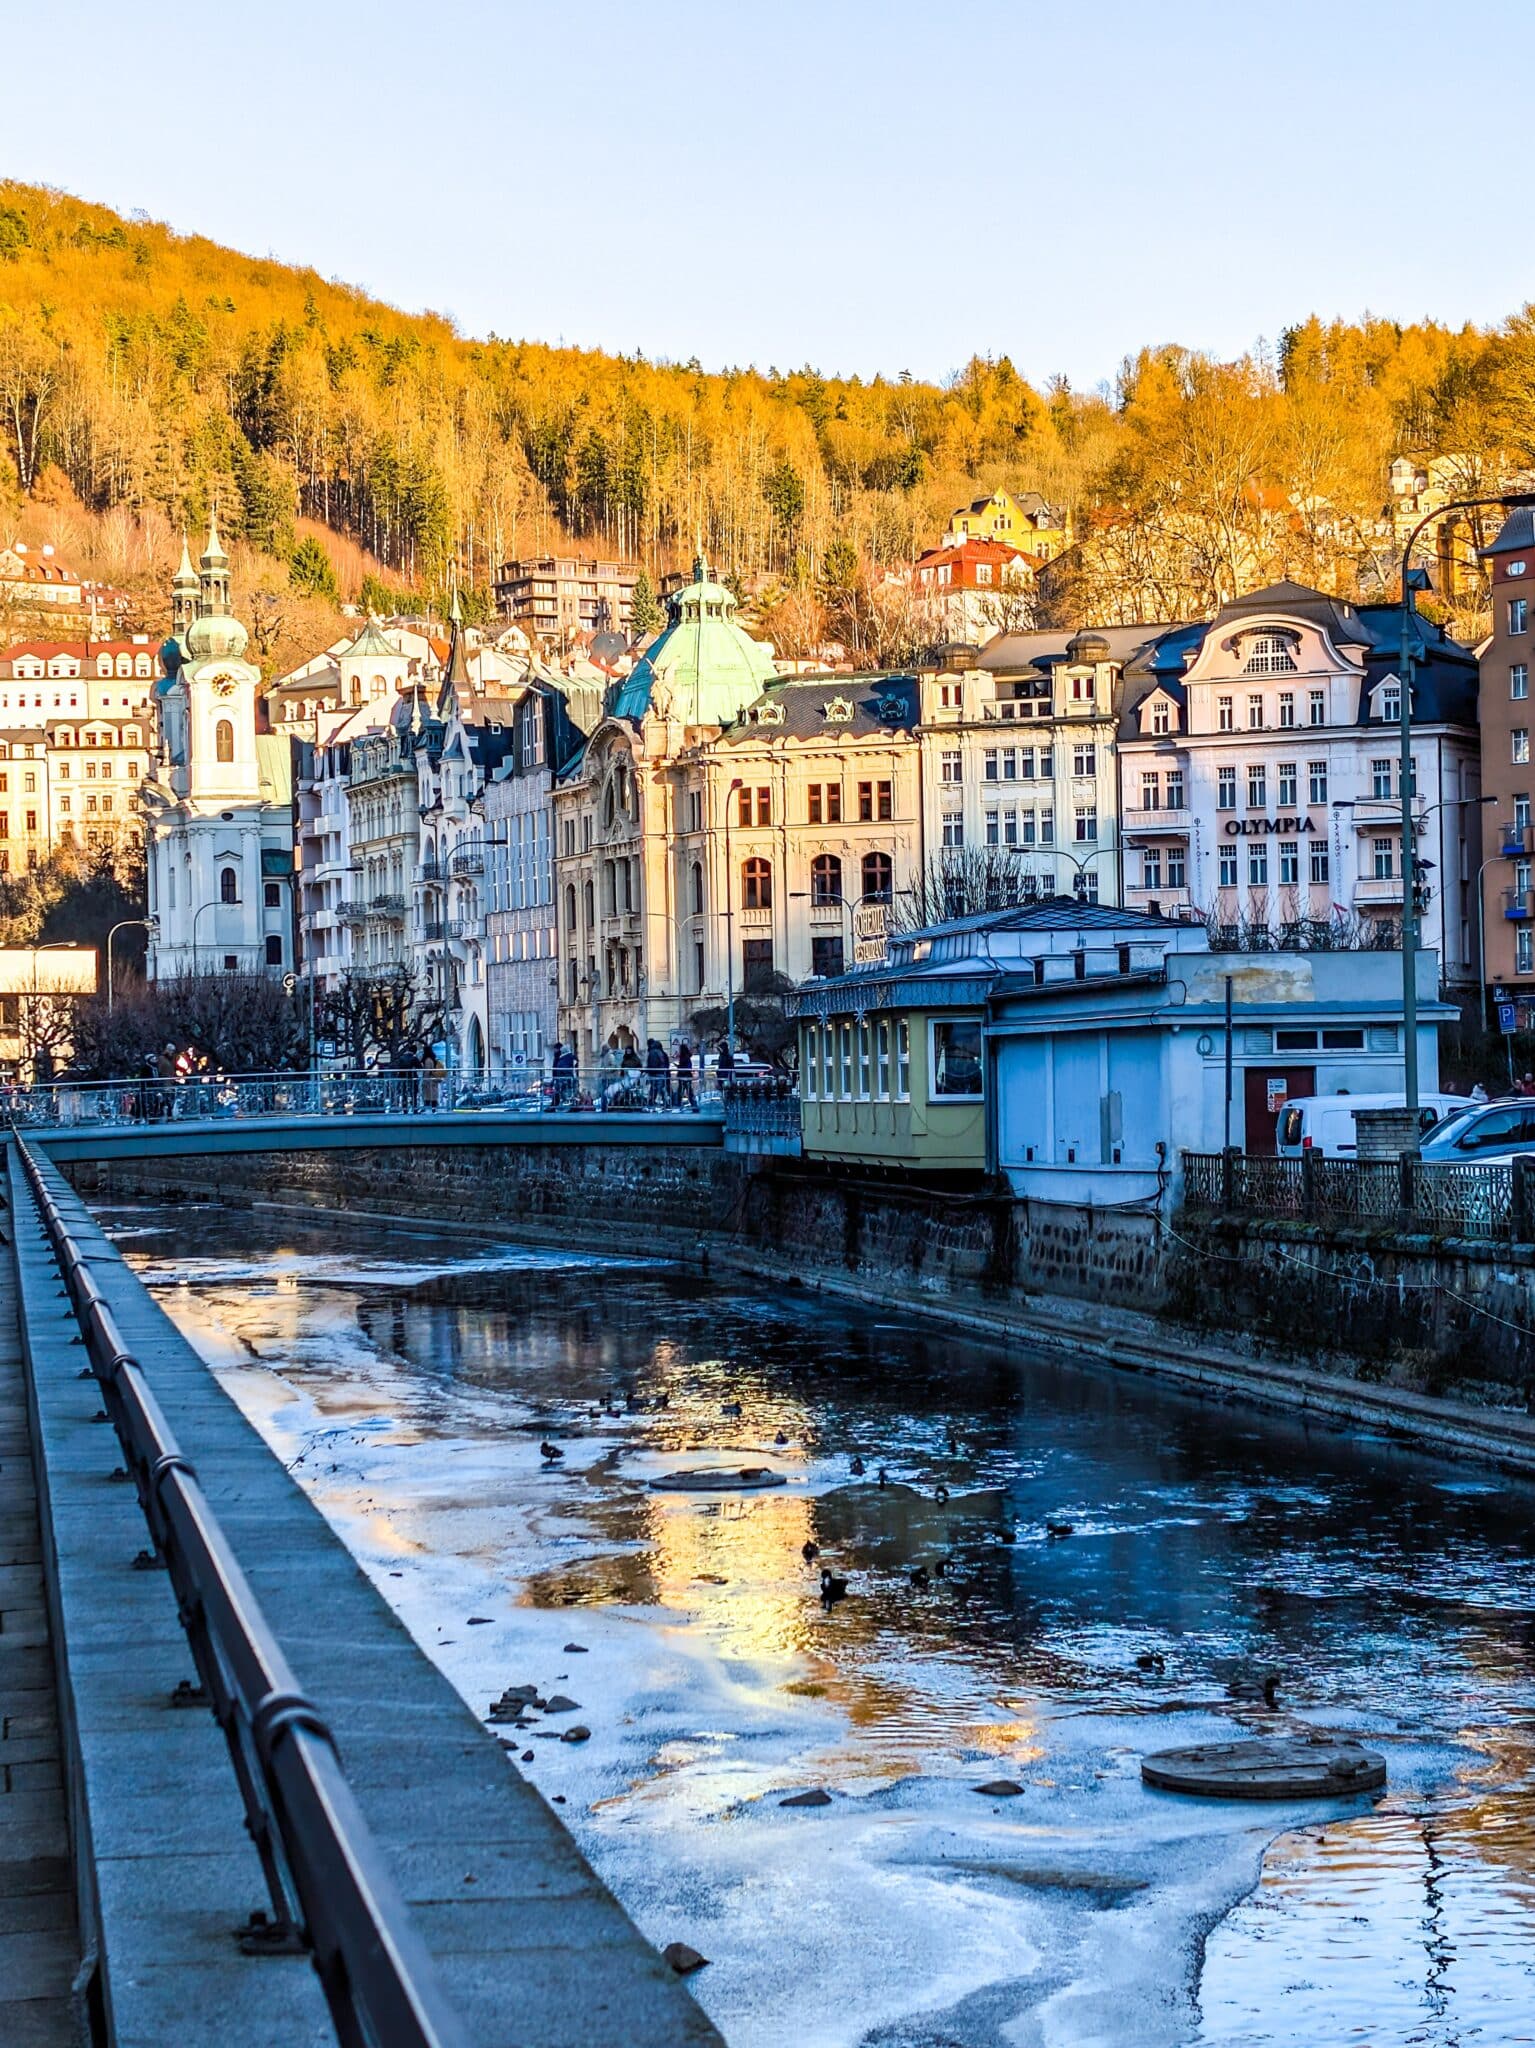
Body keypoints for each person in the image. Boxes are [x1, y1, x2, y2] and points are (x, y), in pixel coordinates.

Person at [645, 1036, 670, 1107]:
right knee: (662, 1088)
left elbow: (653, 1063)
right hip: (661, 1072)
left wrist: (648, 1070)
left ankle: (651, 1101)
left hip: (654, 1073)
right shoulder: (661, 1052)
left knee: (654, 1088)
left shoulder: (653, 1052)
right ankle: (666, 1101)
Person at [675, 1038, 696, 1112]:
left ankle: (678, 1105)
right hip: (686, 1075)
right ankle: (693, 1105)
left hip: (683, 1075)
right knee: (688, 1091)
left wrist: (679, 1067)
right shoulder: (687, 1057)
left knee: (683, 1091)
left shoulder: (684, 1057)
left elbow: (686, 1067)